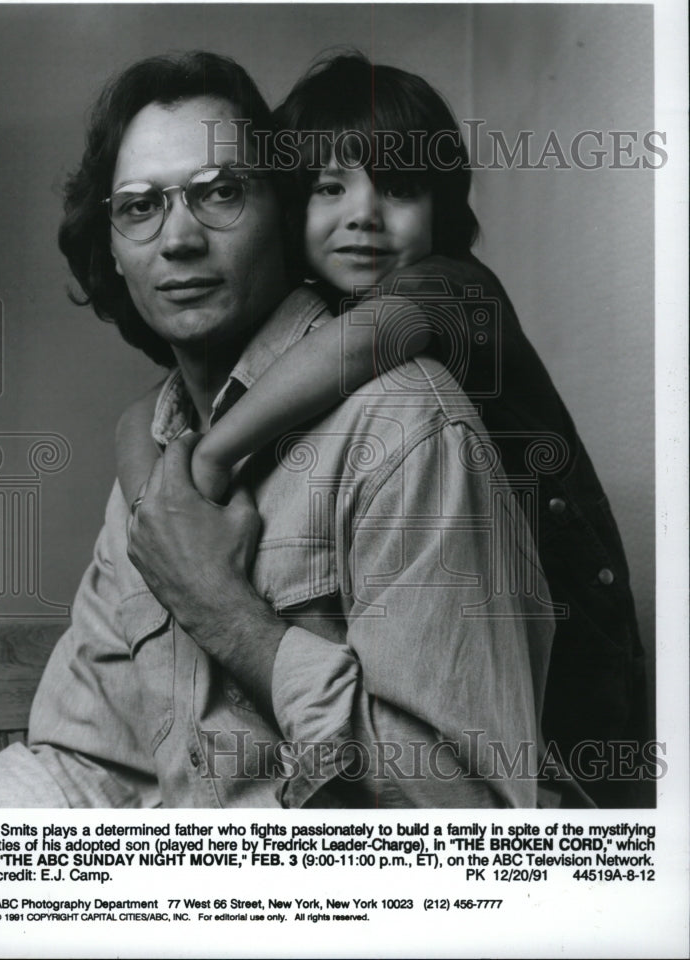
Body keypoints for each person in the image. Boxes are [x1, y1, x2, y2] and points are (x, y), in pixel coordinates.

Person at [0, 51, 557, 809]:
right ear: (112, 244)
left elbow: (468, 825)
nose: (178, 239)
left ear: (286, 211)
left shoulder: (404, 422)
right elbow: (88, 761)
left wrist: (227, 615)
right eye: (140, 206)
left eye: (221, 193)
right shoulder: (152, 464)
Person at [115, 53, 649, 807]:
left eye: (399, 188)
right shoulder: (311, 322)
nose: (363, 212)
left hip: (575, 695)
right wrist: (160, 508)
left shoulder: (454, 288)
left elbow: (364, 343)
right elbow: (142, 414)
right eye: (329, 187)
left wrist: (210, 457)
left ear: (444, 213)